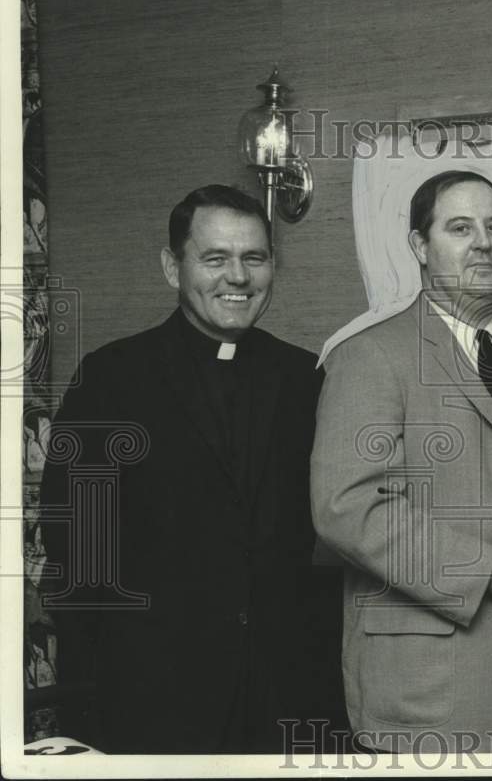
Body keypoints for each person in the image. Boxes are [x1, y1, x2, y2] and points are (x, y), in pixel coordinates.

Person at [40, 185, 333, 753]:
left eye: (255, 258)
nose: (238, 278)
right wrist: (96, 688)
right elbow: (77, 547)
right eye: (215, 258)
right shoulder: (112, 378)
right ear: (172, 269)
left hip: (284, 690)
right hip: (153, 693)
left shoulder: (306, 378)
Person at [312, 170, 492, 754]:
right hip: (429, 690)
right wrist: (486, 568)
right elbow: (347, 507)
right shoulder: (369, 356)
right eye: (460, 228)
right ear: (421, 247)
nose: (483, 243)